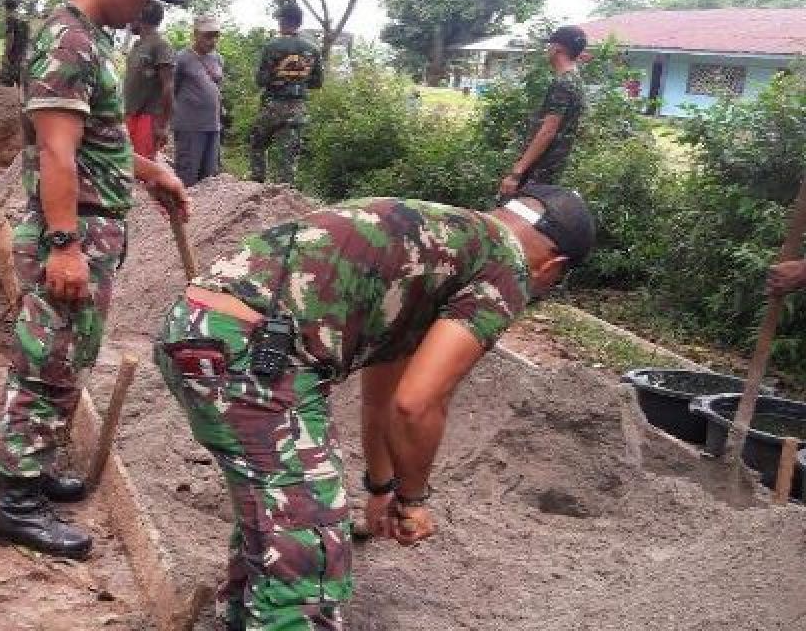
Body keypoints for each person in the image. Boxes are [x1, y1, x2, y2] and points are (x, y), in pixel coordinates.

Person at [156, 185, 595, 629]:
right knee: (311, 545)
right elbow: (418, 403)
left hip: (195, 328)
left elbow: (382, 395)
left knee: (280, 501)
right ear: (553, 267)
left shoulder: (440, 239)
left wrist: (381, 488)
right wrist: (414, 498)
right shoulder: (508, 267)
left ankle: (240, 614)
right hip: (254, 361)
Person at [0, 0, 191, 560]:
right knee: (48, 364)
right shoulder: (70, 43)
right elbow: (55, 151)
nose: (149, 5)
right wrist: (65, 244)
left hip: (95, 224)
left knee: (62, 358)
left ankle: (29, 468)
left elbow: (96, 138)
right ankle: (15, 503)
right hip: (72, 230)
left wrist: (151, 169)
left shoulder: (91, 40)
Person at [499, 25, 588, 197]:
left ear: (557, 49)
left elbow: (548, 131)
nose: (548, 49)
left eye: (550, 45)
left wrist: (517, 172)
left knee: (511, 216)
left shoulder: (563, 83)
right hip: (552, 168)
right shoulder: (576, 80)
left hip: (538, 169)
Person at [249, 1, 324, 185]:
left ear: (282, 21)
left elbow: (261, 80)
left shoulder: (272, 46)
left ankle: (257, 183)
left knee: (258, 143)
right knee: (288, 156)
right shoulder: (312, 50)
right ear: (299, 22)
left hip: (273, 106)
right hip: (298, 108)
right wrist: (298, 80)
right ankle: (285, 193)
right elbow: (317, 82)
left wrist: (280, 79)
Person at [172, 15, 225, 186]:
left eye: (216, 36)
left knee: (209, 179)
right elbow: (170, 90)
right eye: (208, 36)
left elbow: (217, 88)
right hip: (190, 127)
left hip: (213, 126)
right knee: (187, 177)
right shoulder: (182, 59)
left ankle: (204, 213)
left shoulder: (217, 59)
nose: (213, 40)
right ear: (195, 34)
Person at [123, 0, 175, 159]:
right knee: (127, 164)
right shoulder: (138, 44)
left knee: (143, 168)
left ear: (139, 17)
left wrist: (163, 125)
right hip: (130, 115)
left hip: (148, 118)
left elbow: (169, 86)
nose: (128, 21)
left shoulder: (161, 45)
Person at [0, 0, 30, 88]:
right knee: (22, 85)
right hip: (22, 57)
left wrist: (5, 55)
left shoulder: (10, 19)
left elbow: (10, 38)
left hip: (12, 57)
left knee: (4, 84)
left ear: (5, 7)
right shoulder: (24, 21)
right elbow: (28, 39)